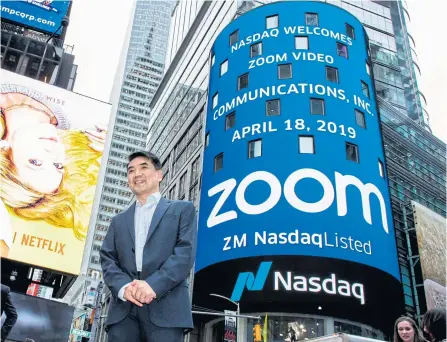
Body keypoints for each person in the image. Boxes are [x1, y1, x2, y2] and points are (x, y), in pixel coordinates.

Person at [100, 151, 197, 342]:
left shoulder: (182, 210)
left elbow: (184, 254)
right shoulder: (118, 221)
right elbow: (107, 259)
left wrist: (153, 285)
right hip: (123, 312)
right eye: (131, 171)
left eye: (143, 167)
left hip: (167, 309)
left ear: (159, 175)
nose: (136, 174)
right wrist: (124, 287)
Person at [0, 87, 106, 241]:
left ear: (3, 150)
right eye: (58, 165)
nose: (53, 152)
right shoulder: (90, 122)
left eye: (35, 162)